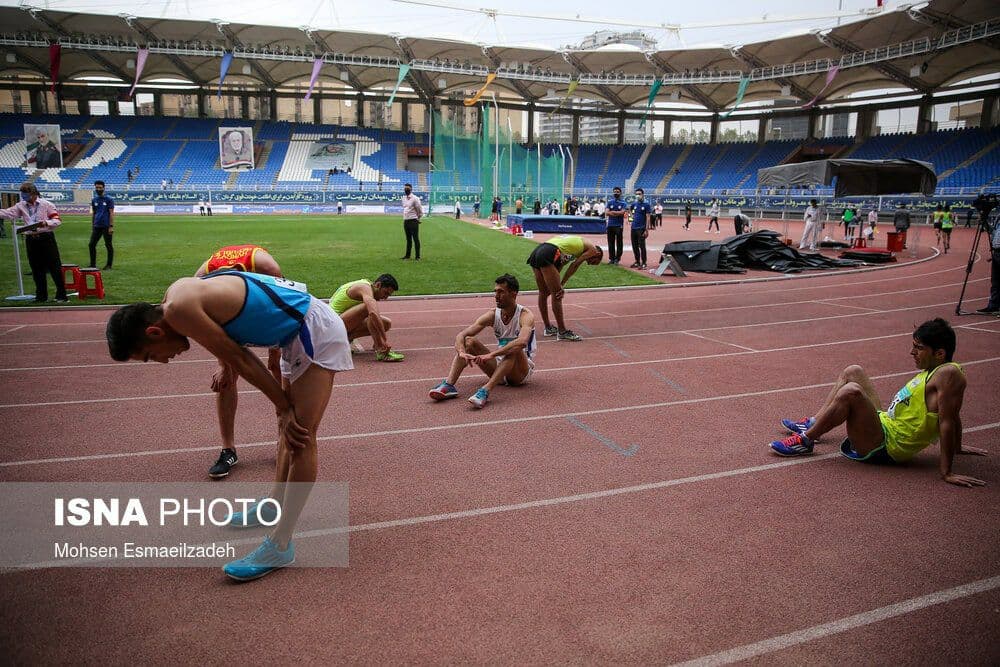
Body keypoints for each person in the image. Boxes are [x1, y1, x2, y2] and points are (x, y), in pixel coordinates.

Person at [106, 269, 353, 580]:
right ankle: (273, 506)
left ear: (155, 333)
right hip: (295, 331)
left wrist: (282, 405)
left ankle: (280, 544)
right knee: (286, 427)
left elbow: (242, 358)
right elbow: (230, 331)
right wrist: (279, 406)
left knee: (301, 435)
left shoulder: (179, 310)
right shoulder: (176, 296)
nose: (161, 361)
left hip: (312, 329)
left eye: (148, 357)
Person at [769, 319, 986, 488]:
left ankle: (805, 441)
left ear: (940, 353)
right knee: (853, 371)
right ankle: (813, 423)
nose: (912, 353)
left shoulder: (948, 374)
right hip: (884, 426)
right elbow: (953, 414)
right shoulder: (935, 371)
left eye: (918, 348)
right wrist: (957, 447)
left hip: (887, 446)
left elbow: (948, 419)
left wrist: (946, 472)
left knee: (851, 392)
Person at [194, 245, 284, 479]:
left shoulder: (267, 267)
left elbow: (280, 306)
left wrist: (275, 351)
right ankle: (228, 450)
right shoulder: (201, 278)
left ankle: (284, 440)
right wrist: (223, 365)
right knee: (226, 379)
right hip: (233, 314)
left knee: (279, 370)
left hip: (268, 307)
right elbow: (212, 326)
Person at [429, 274, 536, 409]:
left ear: (513, 294)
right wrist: (461, 352)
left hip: (520, 372)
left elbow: (522, 342)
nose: (496, 296)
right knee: (469, 341)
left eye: (501, 292)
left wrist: (491, 355)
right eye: (495, 291)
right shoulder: (492, 314)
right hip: (499, 367)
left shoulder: (525, 315)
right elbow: (462, 335)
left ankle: (485, 391)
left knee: (514, 348)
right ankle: (449, 384)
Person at [526, 235, 603, 341]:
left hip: (539, 250)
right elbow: (574, 265)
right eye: (593, 262)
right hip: (549, 252)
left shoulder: (574, 248)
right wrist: (561, 285)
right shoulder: (593, 249)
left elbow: (561, 264)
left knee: (543, 292)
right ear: (597, 254)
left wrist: (558, 283)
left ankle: (548, 328)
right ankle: (562, 332)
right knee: (557, 294)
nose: (589, 263)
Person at [0, 182, 67, 303]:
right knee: (36, 269)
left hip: (46, 238)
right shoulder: (21, 205)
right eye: (23, 194)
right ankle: (41, 296)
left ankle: (61, 295)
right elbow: (8, 213)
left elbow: (57, 220)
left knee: (54, 267)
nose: (24, 197)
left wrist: (46, 223)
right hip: (31, 240)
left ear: (34, 194)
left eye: (26, 194)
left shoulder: (46, 204)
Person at [329, 274, 403, 361]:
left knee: (386, 323)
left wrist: (380, 336)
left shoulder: (367, 287)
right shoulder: (364, 288)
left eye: (388, 295)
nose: (385, 298)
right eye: (385, 293)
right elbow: (373, 313)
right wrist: (384, 340)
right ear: (378, 285)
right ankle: (381, 350)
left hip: (339, 323)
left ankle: (344, 340)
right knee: (368, 308)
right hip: (331, 327)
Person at [976, 212, 999, 315]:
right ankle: (993, 305)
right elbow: (992, 232)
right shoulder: (998, 218)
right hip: (996, 252)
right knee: (995, 281)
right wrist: (984, 222)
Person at [88, 180, 114, 270]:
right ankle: (92, 264)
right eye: (97, 187)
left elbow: (111, 213)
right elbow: (94, 213)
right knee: (91, 244)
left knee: (108, 245)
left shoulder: (109, 199)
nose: (98, 189)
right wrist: (93, 225)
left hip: (106, 226)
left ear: (104, 188)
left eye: (100, 187)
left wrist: (111, 226)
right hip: (97, 226)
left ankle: (109, 265)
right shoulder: (94, 200)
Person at [629, 188, 652, 268]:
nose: (638, 195)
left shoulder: (646, 205)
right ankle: (637, 261)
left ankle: (644, 262)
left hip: (641, 228)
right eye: (636, 194)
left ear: (643, 195)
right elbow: (630, 209)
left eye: (639, 194)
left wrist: (646, 230)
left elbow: (648, 217)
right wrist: (631, 218)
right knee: (634, 246)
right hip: (633, 228)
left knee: (642, 246)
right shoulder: (634, 204)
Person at [400, 183, 423, 260]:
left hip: (413, 220)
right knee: (408, 239)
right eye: (405, 188)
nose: (406, 189)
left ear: (411, 189)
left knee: (416, 238)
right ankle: (407, 255)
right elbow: (405, 209)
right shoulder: (403, 198)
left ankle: (418, 256)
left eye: (407, 188)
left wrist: (418, 218)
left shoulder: (415, 198)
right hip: (406, 221)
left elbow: (419, 210)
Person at [605, 186, 626, 265]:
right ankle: (612, 259)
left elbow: (622, 212)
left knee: (619, 243)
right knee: (611, 243)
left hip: (619, 226)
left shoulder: (623, 203)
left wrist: (612, 212)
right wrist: (617, 213)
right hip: (610, 225)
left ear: (620, 193)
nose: (616, 193)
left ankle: (617, 259)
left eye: (617, 192)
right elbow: (607, 212)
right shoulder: (610, 202)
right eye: (615, 192)